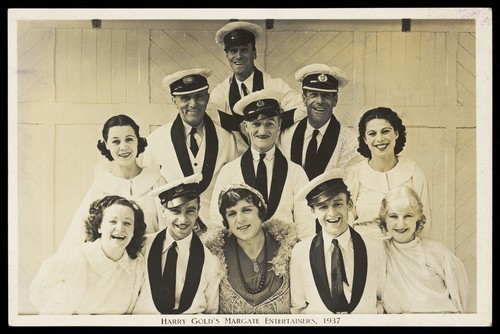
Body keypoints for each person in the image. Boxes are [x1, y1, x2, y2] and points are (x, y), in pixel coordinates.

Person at [140, 68, 238, 233]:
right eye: (185, 98)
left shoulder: (226, 139)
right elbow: (147, 191)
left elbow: (232, 188)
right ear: (175, 101)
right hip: (172, 229)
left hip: (215, 229)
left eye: (199, 97)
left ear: (207, 98)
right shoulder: (156, 140)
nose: (193, 104)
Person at [209, 89, 315, 240]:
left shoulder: (296, 172)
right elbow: (217, 222)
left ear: (279, 125)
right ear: (246, 127)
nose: (262, 130)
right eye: (256, 124)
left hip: (286, 257)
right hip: (240, 257)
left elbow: (307, 228)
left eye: (269, 124)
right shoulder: (229, 172)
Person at [58, 114, 167, 251]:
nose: (123, 147)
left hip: (151, 262)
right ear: (106, 144)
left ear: (137, 142)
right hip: (113, 266)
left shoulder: (156, 182)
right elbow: (81, 233)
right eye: (116, 141)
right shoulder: (101, 187)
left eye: (129, 140)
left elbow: (168, 230)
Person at [290, 169, 386, 314]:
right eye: (323, 207)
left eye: (337, 204)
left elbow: (382, 302)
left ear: (350, 204)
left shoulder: (375, 248)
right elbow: (298, 307)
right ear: (313, 212)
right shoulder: (300, 251)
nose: (332, 213)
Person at [30, 195, 147, 314]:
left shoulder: (137, 265)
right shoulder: (76, 258)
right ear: (100, 227)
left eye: (127, 223)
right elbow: (38, 290)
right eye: (113, 221)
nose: (120, 228)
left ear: (133, 230)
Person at [207, 20, 307, 154]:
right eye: (233, 51)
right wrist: (238, 125)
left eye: (244, 50)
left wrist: (274, 121)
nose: (238, 56)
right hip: (237, 161)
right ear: (227, 56)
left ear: (254, 53)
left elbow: (303, 108)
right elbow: (206, 110)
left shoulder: (274, 85)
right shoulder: (222, 90)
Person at [202, 183, 299, 314]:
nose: (240, 219)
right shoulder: (215, 253)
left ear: (261, 212)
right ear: (226, 221)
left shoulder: (289, 246)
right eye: (231, 214)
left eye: (246, 210)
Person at [133, 174, 220, 314]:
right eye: (175, 211)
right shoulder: (142, 247)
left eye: (190, 211)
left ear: (198, 211)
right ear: (163, 211)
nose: (182, 219)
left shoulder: (209, 260)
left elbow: (211, 311)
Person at [375, 186, 468, 314]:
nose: (401, 224)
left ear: (418, 218)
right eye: (393, 216)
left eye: (408, 216)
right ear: (384, 220)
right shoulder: (379, 251)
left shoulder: (439, 252)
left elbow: (459, 298)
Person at [345, 107, 432, 239]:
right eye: (372, 134)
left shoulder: (414, 172)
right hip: (365, 248)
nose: (380, 139)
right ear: (364, 139)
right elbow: (347, 220)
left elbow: (425, 222)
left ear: (396, 133)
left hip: (404, 249)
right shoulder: (355, 174)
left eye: (385, 131)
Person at [278, 63, 362, 180]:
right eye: (313, 95)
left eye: (326, 96)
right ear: (304, 99)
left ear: (335, 100)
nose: (320, 101)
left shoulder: (350, 141)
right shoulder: (286, 134)